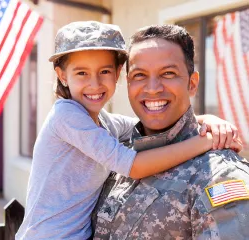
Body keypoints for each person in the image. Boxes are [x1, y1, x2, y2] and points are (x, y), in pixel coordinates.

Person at [15, 21, 241, 240]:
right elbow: (132, 165)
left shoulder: (105, 123)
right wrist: (205, 141)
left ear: (117, 73)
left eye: (104, 71)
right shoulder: (66, 116)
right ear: (62, 76)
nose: (94, 83)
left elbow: (146, 119)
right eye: (81, 73)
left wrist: (208, 119)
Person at [92, 24, 249, 239]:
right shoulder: (117, 154)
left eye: (168, 73)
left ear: (192, 84)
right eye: (139, 75)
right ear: (128, 84)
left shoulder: (218, 175)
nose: (153, 88)